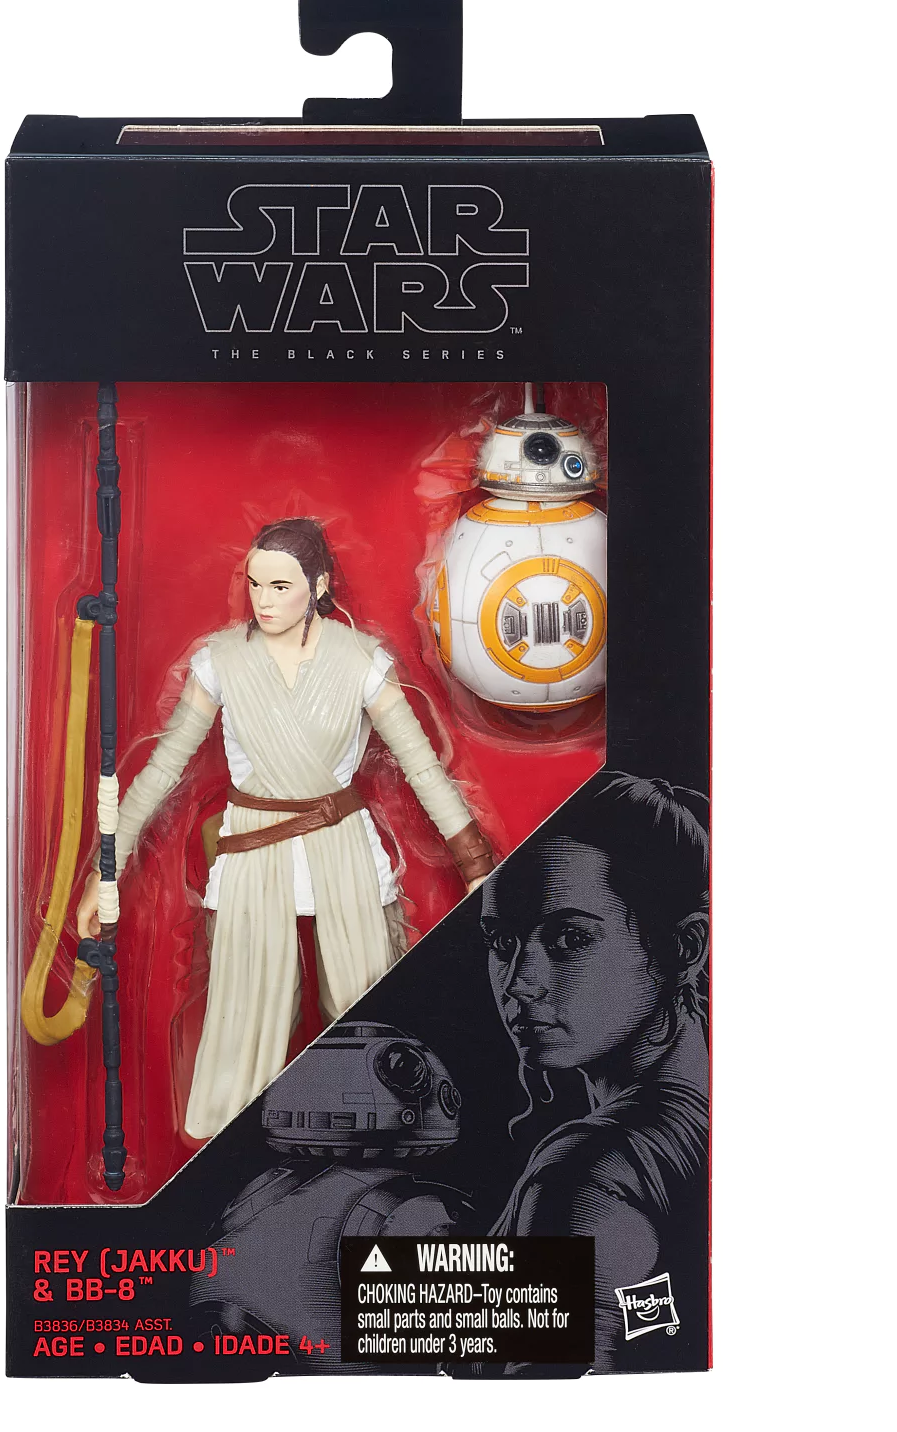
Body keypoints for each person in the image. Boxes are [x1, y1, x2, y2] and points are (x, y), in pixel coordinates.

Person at [81, 518, 492, 1140]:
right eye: (255, 584)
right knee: (242, 1023)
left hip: (341, 845)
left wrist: (476, 864)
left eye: (280, 586)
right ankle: (227, 1158)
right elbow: (163, 767)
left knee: (370, 1016)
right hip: (253, 849)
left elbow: (422, 767)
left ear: (318, 585)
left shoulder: (361, 662)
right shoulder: (221, 662)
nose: (263, 601)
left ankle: (381, 1146)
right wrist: (104, 871)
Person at [481, 774, 710, 1370]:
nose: (518, 983)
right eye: (502, 941)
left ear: (684, 948)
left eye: (569, 939)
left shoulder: (585, 1175)